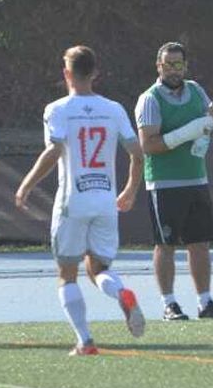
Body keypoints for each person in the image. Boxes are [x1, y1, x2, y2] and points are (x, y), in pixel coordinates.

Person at [15, 45, 146, 355]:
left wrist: (27, 184)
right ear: (95, 73)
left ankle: (85, 340)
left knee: (67, 273)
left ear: (66, 74)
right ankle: (121, 292)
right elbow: (137, 154)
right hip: (105, 201)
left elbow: (54, 151)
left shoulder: (57, 109)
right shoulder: (113, 109)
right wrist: (130, 189)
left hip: (73, 202)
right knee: (98, 268)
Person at [134, 41, 213, 321]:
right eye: (168, 65)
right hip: (164, 184)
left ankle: (205, 302)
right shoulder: (150, 99)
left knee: (199, 243)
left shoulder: (197, 90)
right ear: (159, 66)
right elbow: (148, 145)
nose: (174, 70)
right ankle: (169, 304)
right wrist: (187, 132)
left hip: (196, 179)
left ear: (185, 66)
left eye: (179, 64)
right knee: (165, 245)